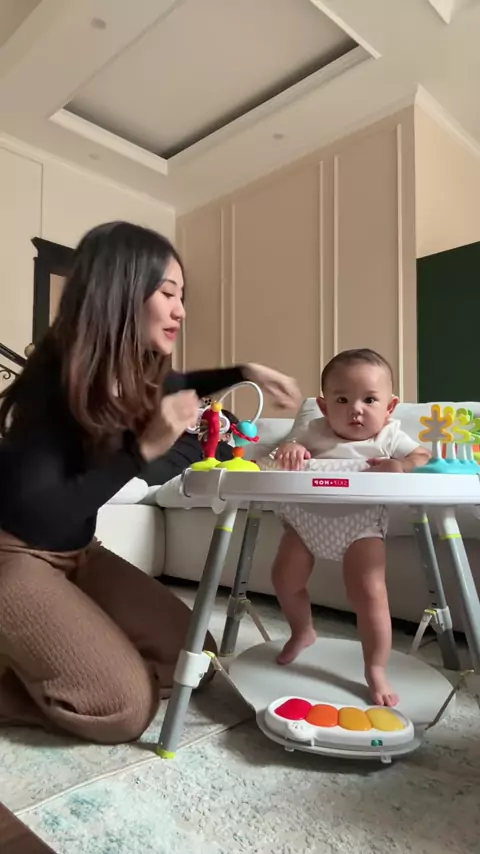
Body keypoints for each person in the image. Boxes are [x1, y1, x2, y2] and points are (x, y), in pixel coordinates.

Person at [0, 221, 302, 744]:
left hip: (78, 553)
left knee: (195, 657)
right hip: (13, 555)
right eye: (167, 293)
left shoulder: (124, 374)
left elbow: (181, 382)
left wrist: (245, 370)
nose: (180, 310)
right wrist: (142, 451)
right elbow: (40, 513)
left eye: (181, 296)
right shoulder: (51, 381)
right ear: (120, 291)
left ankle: (52, 647)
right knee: (123, 708)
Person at [268, 348, 430, 707]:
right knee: (284, 578)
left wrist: (401, 465)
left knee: (369, 595)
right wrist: (291, 448)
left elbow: (423, 456)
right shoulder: (316, 431)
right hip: (305, 521)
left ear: (390, 407)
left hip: (361, 526)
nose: (356, 409)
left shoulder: (388, 437)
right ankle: (302, 631)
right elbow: (286, 449)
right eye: (342, 399)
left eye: (369, 400)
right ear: (324, 407)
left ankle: (375, 668)